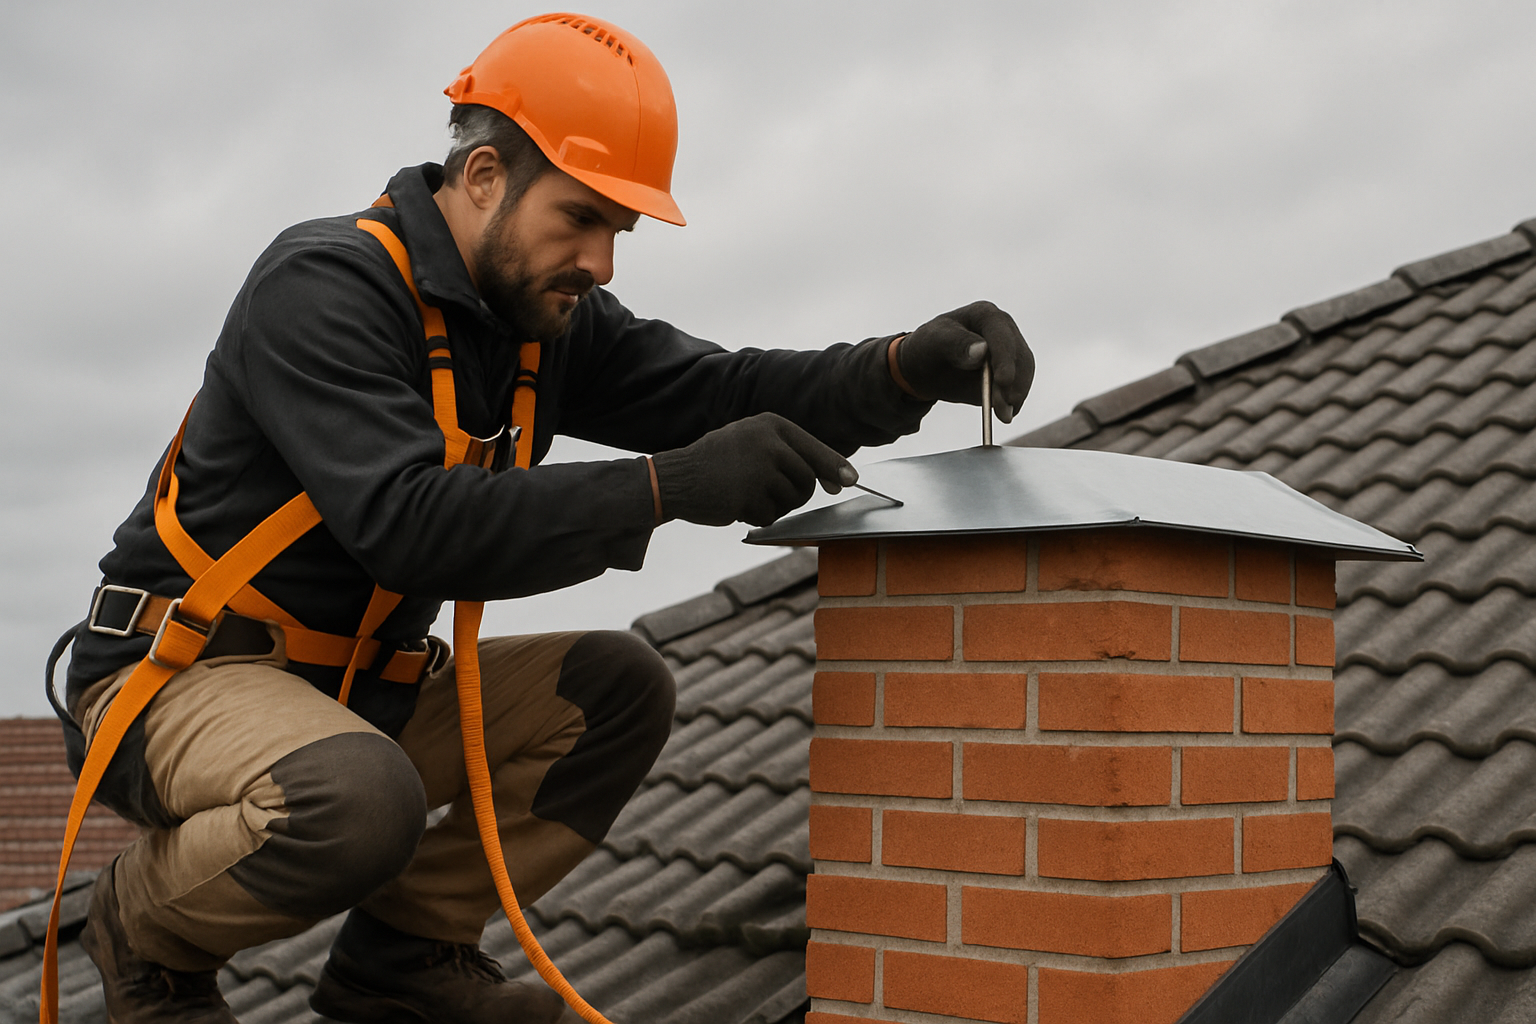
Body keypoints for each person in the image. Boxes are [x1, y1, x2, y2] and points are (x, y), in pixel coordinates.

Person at [51, 13, 1034, 1024]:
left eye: (619, 231)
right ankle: (145, 930)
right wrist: (670, 487)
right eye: (582, 218)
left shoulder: (541, 323)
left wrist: (903, 366)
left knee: (615, 689)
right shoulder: (323, 286)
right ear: (482, 176)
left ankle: (403, 957)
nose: (601, 261)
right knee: (362, 797)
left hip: (355, 701)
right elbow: (407, 521)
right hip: (183, 676)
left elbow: (722, 390)